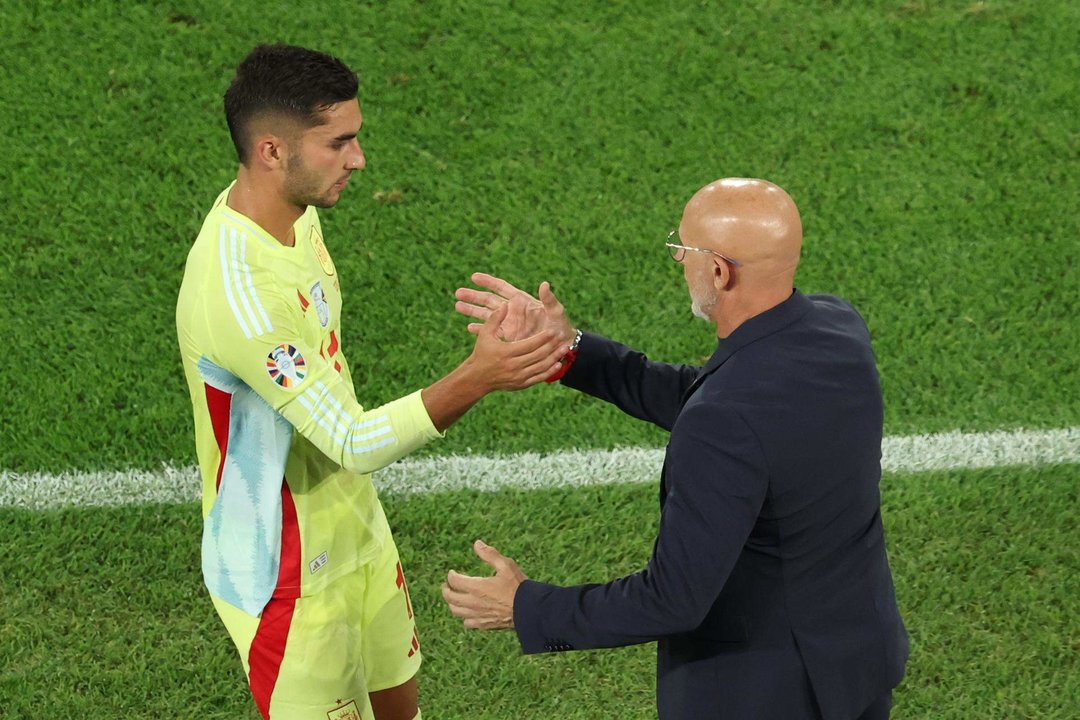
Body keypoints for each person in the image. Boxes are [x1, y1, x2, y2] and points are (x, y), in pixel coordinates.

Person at [176, 44, 567, 720]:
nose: (358, 160)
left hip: (356, 533)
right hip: (286, 582)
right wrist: (479, 376)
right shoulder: (240, 297)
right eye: (340, 143)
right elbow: (352, 441)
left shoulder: (293, 216)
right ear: (272, 151)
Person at [442, 178, 909, 719]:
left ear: (718, 271)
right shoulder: (838, 329)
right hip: (855, 664)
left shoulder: (725, 419)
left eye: (681, 250)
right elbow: (727, 402)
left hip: (762, 694)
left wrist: (527, 607)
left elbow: (672, 599)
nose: (678, 262)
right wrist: (570, 350)